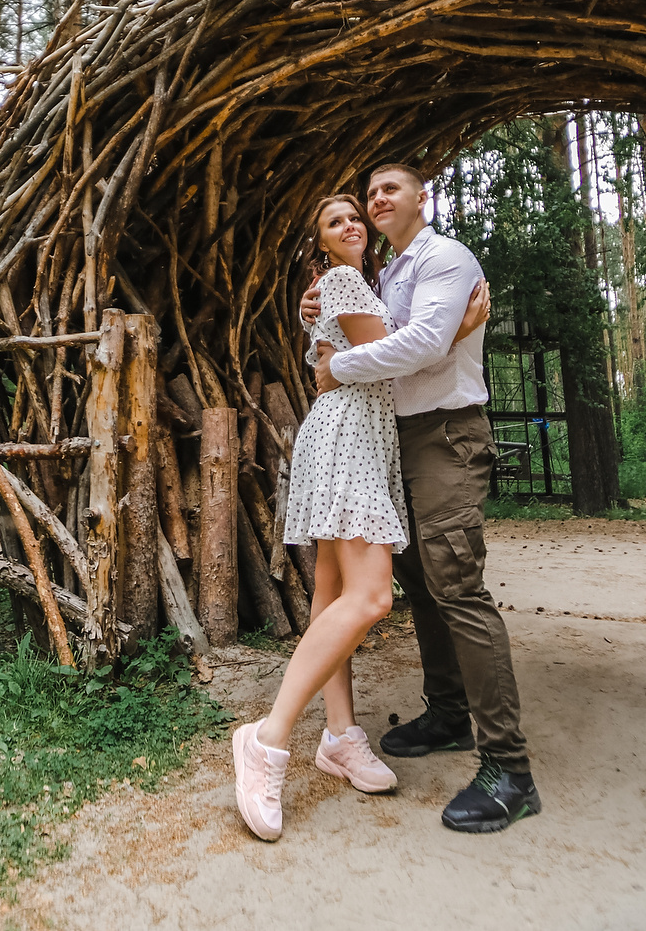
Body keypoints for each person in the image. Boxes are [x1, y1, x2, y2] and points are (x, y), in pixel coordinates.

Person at [231, 191, 489, 842]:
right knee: (372, 597)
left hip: (352, 434)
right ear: (318, 241)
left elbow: (363, 351)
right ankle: (267, 738)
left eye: (353, 217)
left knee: (331, 596)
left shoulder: (352, 285)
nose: (349, 224)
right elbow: (396, 356)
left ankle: (341, 736)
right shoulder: (343, 280)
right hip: (349, 438)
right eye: (334, 221)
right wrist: (458, 329)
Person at [306, 162, 540, 834]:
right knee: (422, 581)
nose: (377, 199)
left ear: (421, 198)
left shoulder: (445, 259)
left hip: (445, 434)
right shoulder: (385, 276)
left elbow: (421, 344)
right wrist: (321, 314)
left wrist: (337, 366)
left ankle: (509, 768)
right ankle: (448, 713)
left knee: (457, 584)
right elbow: (390, 339)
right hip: (397, 439)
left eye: (391, 189)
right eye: (369, 193)